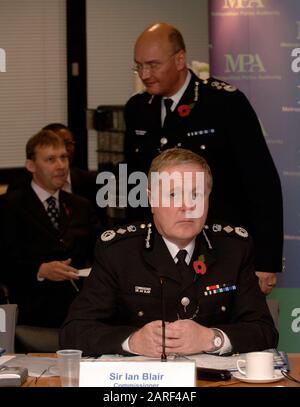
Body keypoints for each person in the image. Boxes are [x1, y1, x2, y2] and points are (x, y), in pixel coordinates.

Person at [60, 148, 278, 357]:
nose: (187, 206)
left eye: (197, 195)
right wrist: (133, 341)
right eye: (173, 195)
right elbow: (74, 333)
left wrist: (212, 339)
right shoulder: (119, 252)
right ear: (151, 200)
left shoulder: (234, 248)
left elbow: (264, 331)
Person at [124, 22, 283, 295]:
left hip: (220, 249)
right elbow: (133, 184)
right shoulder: (138, 109)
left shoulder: (224, 103)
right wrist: (128, 251)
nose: (144, 74)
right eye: (138, 66)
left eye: (152, 65)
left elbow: (261, 184)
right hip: (157, 256)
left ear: (180, 60)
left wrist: (266, 261)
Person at [0, 129, 102, 327]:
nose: (61, 166)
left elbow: (101, 248)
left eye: (64, 158)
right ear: (31, 165)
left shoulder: (81, 205)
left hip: (81, 308)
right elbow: (3, 260)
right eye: (50, 159)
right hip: (30, 310)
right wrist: (40, 270)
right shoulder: (9, 206)